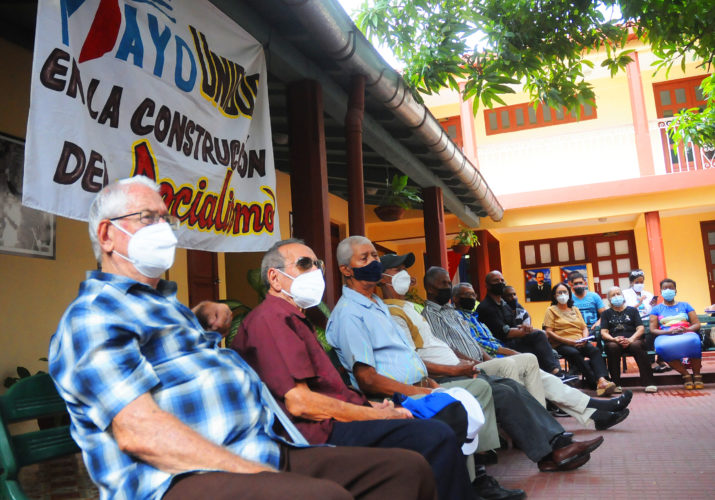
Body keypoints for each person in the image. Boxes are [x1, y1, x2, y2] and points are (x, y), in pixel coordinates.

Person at [48, 177, 436, 500]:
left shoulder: (169, 309)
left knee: (405, 470)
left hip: (261, 447)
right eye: (147, 218)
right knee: (323, 496)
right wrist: (255, 472)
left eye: (165, 219)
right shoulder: (93, 316)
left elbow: (179, 370)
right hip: (173, 478)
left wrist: (199, 323)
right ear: (108, 236)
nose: (162, 230)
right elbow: (139, 432)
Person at [327, 236, 604, 479]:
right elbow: (366, 378)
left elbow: (408, 356)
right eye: (365, 258)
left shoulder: (378, 307)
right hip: (400, 395)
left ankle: (552, 447)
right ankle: (493, 471)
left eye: (375, 255)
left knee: (505, 384)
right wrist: (422, 387)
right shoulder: (351, 314)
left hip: (426, 382)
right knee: (490, 388)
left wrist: (432, 377)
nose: (374, 262)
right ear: (346, 269)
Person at [230, 238, 474, 500]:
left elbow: (326, 390)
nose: (314, 271)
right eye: (304, 264)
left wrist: (371, 406)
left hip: (342, 417)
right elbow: (300, 403)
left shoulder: (295, 318)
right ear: (274, 279)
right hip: (319, 434)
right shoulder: (271, 319)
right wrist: (375, 416)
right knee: (436, 436)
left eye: (317, 264)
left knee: (448, 415)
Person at [418, 269, 629, 431]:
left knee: (537, 372)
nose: (447, 286)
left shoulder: (453, 313)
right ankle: (577, 415)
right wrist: (475, 363)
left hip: (485, 358)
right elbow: (450, 348)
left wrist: (486, 357)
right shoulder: (431, 315)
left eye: (449, 282)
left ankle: (593, 414)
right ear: (431, 287)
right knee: (531, 359)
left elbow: (476, 344)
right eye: (443, 283)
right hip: (467, 367)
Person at [477, 271, 569, 380]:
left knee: (543, 341)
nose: (500, 283)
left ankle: (555, 374)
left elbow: (516, 325)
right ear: (487, 285)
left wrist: (526, 327)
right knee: (539, 336)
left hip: (514, 340)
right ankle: (555, 373)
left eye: (502, 280)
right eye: (496, 281)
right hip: (500, 345)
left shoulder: (504, 304)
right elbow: (504, 333)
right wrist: (528, 331)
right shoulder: (486, 307)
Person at [544, 282, 616, 396]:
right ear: (554, 296)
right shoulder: (551, 310)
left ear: (569, 294)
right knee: (574, 353)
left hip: (579, 341)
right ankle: (596, 382)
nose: (562, 295)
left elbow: (584, 327)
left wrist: (584, 339)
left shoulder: (575, 309)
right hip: (561, 343)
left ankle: (602, 380)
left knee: (594, 351)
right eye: (559, 293)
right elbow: (549, 331)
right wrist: (569, 341)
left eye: (565, 292)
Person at [600, 286, 657, 393]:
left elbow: (640, 328)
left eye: (618, 294)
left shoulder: (632, 310)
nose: (616, 297)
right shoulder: (606, 314)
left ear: (623, 296)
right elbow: (604, 332)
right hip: (615, 341)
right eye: (613, 295)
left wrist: (631, 339)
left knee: (637, 345)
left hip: (633, 340)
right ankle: (616, 384)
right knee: (612, 347)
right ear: (609, 299)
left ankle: (649, 383)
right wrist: (614, 339)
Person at [649, 278, 703, 390]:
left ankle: (697, 374)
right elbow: (653, 329)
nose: (668, 290)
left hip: (686, 333)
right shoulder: (656, 309)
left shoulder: (685, 305)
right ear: (661, 291)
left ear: (675, 290)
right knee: (661, 347)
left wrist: (687, 330)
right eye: (665, 288)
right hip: (666, 335)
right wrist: (669, 331)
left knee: (695, 341)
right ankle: (685, 374)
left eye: (671, 288)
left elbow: (696, 324)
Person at [622, 269, 670, 373]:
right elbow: (625, 310)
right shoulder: (624, 294)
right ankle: (651, 362)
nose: (640, 284)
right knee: (648, 332)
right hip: (633, 323)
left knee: (663, 331)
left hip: (648, 320)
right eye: (637, 282)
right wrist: (639, 303)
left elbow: (651, 312)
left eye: (641, 282)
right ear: (631, 282)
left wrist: (653, 305)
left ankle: (661, 359)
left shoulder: (648, 294)